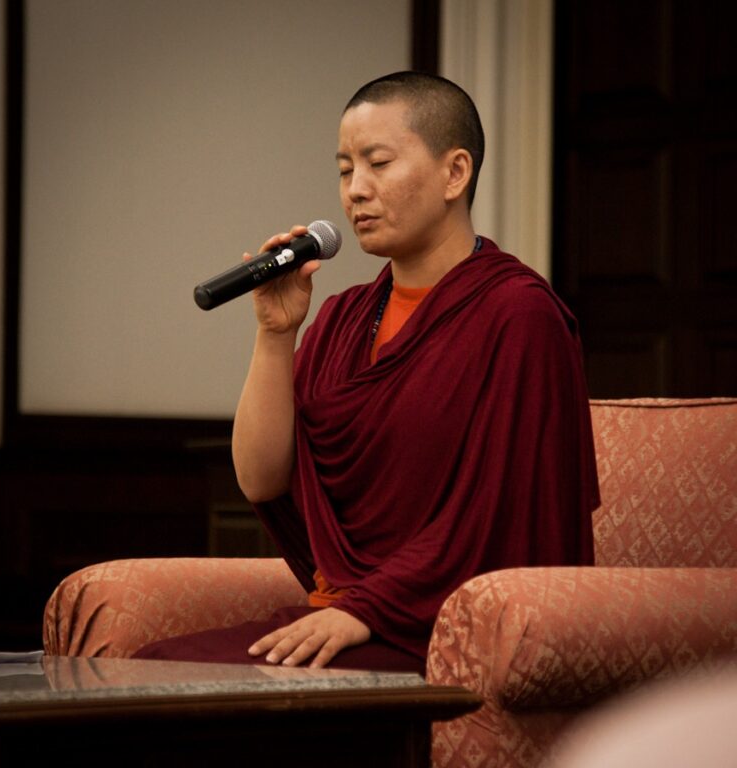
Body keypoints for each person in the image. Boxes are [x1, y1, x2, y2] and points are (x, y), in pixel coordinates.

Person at [135, 71, 599, 673]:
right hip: (344, 614)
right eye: (344, 169)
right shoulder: (342, 319)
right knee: (148, 667)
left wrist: (369, 610)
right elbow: (261, 480)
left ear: (455, 173)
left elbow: (501, 519)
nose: (355, 190)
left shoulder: (518, 315)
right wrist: (276, 334)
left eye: (378, 163)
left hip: (440, 631)